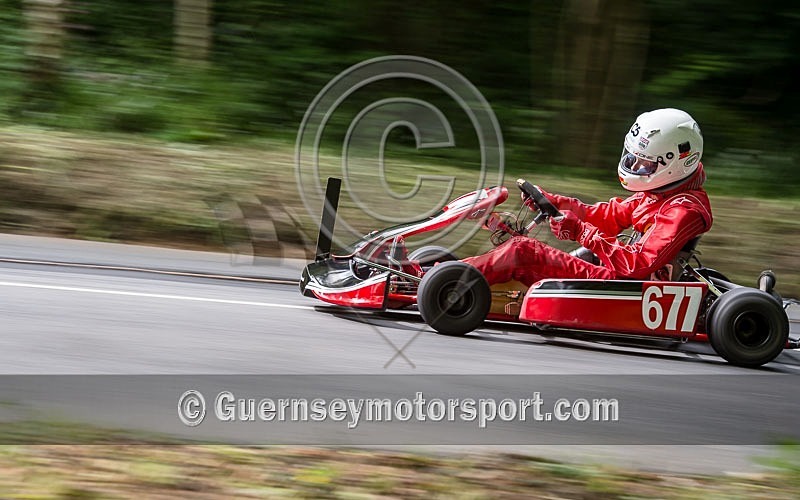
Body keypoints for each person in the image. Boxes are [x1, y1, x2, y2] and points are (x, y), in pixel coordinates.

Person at [462, 108, 713, 286]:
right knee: (565, 252)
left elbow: (637, 265)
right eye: (632, 159)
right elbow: (606, 217)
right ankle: (442, 273)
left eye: (643, 163)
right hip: (619, 277)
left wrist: (581, 231)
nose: (635, 167)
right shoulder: (662, 193)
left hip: (628, 289)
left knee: (523, 250)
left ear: (676, 164)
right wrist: (555, 202)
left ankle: (451, 281)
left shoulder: (683, 210)